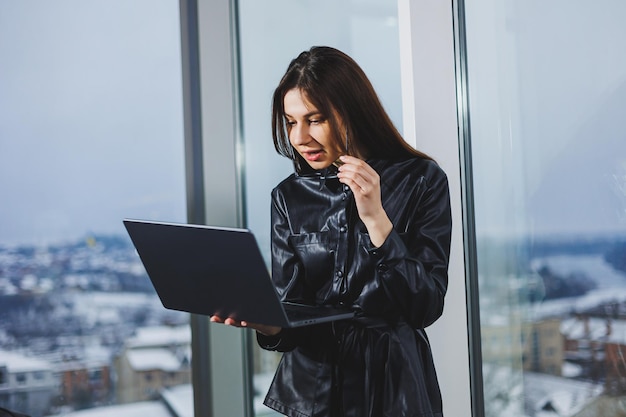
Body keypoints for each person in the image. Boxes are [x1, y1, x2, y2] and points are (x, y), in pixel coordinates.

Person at [211, 46, 452, 417]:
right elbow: (295, 314)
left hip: (393, 387)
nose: (299, 137)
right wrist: (270, 325)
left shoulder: (421, 180)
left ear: (352, 111)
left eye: (315, 119)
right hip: (314, 392)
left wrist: (376, 220)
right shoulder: (287, 197)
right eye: (291, 122)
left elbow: (426, 305)